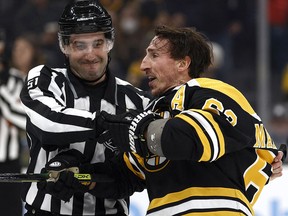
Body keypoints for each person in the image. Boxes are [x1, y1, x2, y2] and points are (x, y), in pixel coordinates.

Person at [40, 25, 286, 216]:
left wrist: (135, 128)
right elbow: (124, 178)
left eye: (154, 55)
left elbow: (187, 138)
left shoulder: (210, 91)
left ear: (183, 63)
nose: (144, 65)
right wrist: (80, 177)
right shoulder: (157, 109)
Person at [19, 0, 151, 215]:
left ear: (110, 43)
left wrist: (92, 178)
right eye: (80, 45)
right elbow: (48, 123)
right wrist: (105, 124)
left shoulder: (137, 100)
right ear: (64, 46)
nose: (90, 55)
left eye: (98, 43)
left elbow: (139, 170)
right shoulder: (45, 78)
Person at [0, 33, 44, 216]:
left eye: (23, 49)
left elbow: (22, 116)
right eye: (16, 49)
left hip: (10, 161)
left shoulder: (26, 81)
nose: (18, 54)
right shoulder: (10, 79)